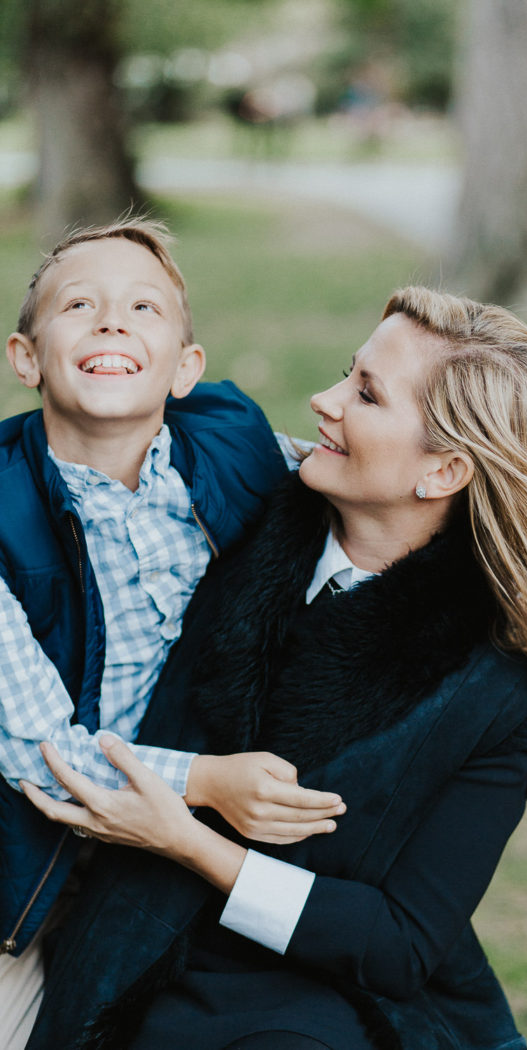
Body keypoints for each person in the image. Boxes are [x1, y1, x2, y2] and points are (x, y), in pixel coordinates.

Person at [23, 287, 527, 1050]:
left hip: (323, 988)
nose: (323, 400)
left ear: (443, 471)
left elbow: (401, 945)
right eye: (346, 372)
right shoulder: (227, 508)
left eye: (366, 394)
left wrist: (190, 842)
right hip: (126, 933)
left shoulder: (500, 683)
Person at [0, 218, 346, 1048]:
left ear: (185, 368)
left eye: (143, 308)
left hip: (178, 860)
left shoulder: (234, 451)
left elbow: (378, 495)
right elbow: (37, 755)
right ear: (26, 357)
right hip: (26, 859)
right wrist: (209, 782)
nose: (112, 323)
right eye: (79, 305)